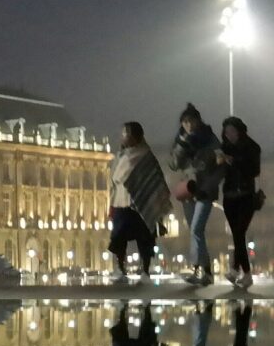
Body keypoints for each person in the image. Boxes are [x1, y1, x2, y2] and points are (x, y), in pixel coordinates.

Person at [167, 103, 224, 285]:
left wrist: (211, 183)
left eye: (191, 121)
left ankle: (198, 269)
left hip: (205, 189)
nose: (188, 125)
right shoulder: (181, 139)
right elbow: (174, 164)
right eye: (184, 122)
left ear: (198, 121)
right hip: (189, 189)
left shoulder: (210, 139)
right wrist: (181, 145)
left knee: (196, 229)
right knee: (195, 232)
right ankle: (205, 272)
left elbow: (221, 164)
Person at [107, 121, 171, 283]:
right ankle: (120, 268)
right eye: (122, 134)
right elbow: (114, 180)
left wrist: (156, 202)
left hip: (142, 203)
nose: (123, 137)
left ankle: (145, 271)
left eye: (126, 134)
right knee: (118, 236)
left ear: (136, 136)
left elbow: (155, 181)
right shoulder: (120, 156)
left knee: (145, 237)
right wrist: (111, 205)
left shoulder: (145, 156)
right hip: (122, 201)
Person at [218, 116, 262, 289]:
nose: (229, 135)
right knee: (237, 235)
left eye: (232, 131)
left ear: (240, 131)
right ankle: (238, 271)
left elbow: (254, 170)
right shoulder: (224, 148)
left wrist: (234, 161)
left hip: (246, 196)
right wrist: (218, 162)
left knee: (238, 233)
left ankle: (243, 272)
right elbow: (219, 171)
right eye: (226, 132)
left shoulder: (251, 147)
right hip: (229, 196)